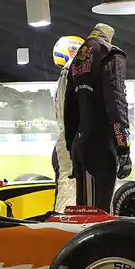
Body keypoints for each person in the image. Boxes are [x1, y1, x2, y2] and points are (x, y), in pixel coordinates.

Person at [63, 23, 132, 212]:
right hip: (102, 145)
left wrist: (71, 147)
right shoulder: (110, 54)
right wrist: (123, 148)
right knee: (100, 214)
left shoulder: (76, 59)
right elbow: (116, 102)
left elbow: (69, 108)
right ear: (109, 35)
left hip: (80, 144)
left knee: (83, 212)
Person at [51, 35, 84, 213]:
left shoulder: (61, 80)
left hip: (64, 143)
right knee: (68, 197)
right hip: (69, 145)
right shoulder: (69, 73)